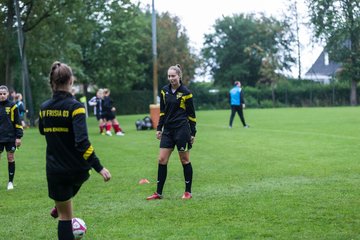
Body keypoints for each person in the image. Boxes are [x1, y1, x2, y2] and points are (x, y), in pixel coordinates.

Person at [38, 61, 111, 240]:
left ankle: (61, 202)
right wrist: (99, 167)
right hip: (78, 170)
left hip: (55, 170)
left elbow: (41, 130)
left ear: (51, 82)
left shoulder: (44, 108)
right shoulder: (76, 107)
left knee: (65, 217)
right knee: (73, 192)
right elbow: (82, 142)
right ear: (71, 81)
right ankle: (62, 202)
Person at [146, 64, 197, 200]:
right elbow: (162, 112)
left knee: (185, 160)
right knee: (162, 159)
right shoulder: (164, 91)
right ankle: (158, 193)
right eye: (169, 76)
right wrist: (159, 128)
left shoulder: (186, 93)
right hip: (168, 130)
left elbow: (192, 115)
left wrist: (193, 133)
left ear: (179, 76)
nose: (171, 78)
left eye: (173, 76)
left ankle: (188, 192)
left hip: (182, 130)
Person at [0, 85, 23, 190]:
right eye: (0, 94)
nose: (2, 96)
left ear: (8, 94)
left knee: (10, 158)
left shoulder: (13, 106)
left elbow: (18, 122)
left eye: (4, 94)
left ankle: (10, 182)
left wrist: (18, 137)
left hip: (10, 137)